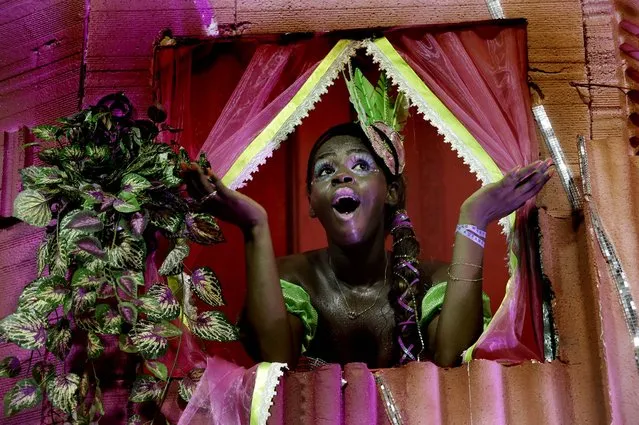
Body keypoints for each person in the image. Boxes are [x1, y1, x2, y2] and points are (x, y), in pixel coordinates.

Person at [181, 70, 553, 369]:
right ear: (311, 201)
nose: (342, 175)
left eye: (361, 165)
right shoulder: (292, 280)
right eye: (326, 170)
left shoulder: (434, 281)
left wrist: (474, 219)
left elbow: (451, 358)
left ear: (391, 192)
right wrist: (255, 226)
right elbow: (276, 360)